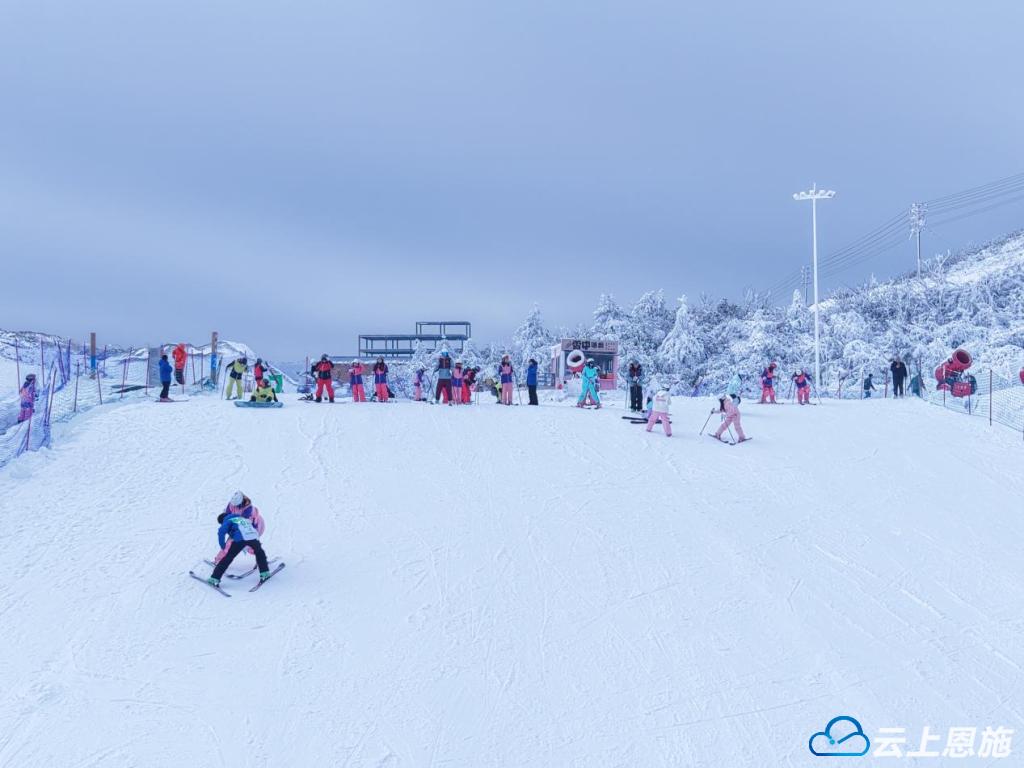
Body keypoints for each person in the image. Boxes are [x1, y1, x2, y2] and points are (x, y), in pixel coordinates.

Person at [208, 495, 272, 587]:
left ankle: (214, 578)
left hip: (240, 539)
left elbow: (221, 533)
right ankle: (264, 572)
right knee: (260, 552)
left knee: (228, 558)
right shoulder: (240, 517)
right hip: (253, 536)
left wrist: (223, 545)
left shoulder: (227, 521)